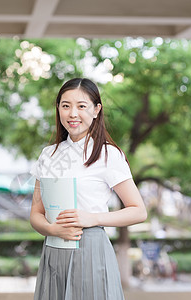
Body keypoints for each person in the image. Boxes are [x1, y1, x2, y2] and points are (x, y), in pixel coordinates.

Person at [30, 78, 147, 299]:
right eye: (66, 106)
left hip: (91, 250)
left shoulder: (108, 154)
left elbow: (138, 211)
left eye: (81, 106)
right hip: (53, 251)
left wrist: (92, 218)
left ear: (96, 110)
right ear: (58, 109)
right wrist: (52, 230)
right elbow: (36, 214)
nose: (73, 113)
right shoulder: (48, 155)